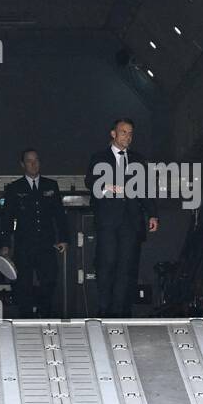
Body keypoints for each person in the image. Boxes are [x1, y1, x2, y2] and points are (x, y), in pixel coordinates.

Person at [84, 118, 158, 317]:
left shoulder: (138, 159)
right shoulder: (99, 158)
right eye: (124, 132)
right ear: (113, 134)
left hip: (131, 221)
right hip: (108, 221)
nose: (128, 136)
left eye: (131, 133)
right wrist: (108, 186)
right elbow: (90, 181)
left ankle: (122, 311)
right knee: (107, 263)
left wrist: (152, 214)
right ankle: (104, 309)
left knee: (127, 267)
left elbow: (145, 188)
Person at [1, 149, 69, 318]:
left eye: (36, 160)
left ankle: (44, 315)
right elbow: (7, 218)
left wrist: (64, 238)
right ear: (23, 164)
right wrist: (5, 244)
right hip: (24, 244)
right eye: (29, 161)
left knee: (49, 281)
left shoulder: (50, 186)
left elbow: (59, 215)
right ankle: (25, 318)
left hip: (46, 243)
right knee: (23, 284)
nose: (33, 164)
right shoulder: (15, 188)